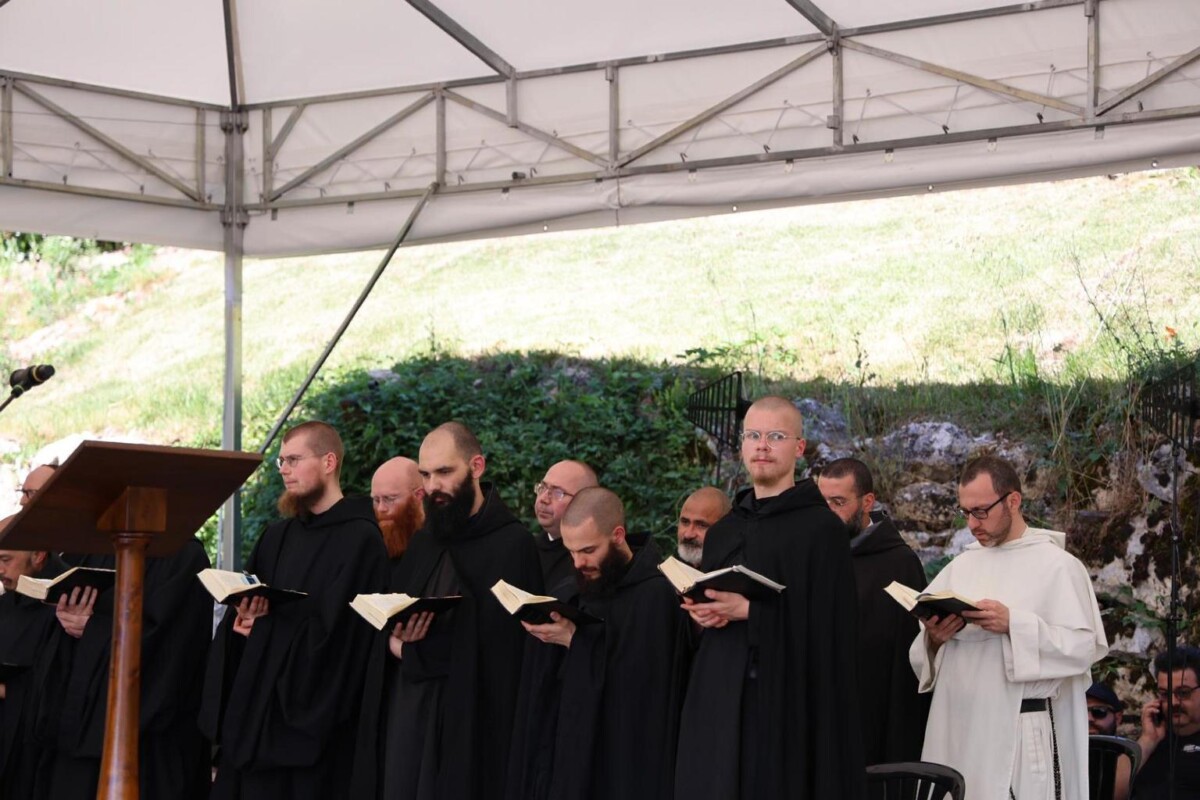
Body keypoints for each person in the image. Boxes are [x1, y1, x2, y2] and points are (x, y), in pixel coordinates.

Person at [674, 395, 866, 800]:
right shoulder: (725, 530)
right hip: (716, 693)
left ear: (798, 448)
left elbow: (835, 630)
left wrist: (752, 612)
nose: (762, 446)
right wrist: (703, 612)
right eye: (753, 435)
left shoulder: (820, 530)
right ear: (742, 445)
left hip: (783, 705)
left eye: (776, 436)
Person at [350, 421, 541, 800]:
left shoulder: (511, 545)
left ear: (477, 467)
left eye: (444, 472)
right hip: (410, 716)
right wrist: (393, 643)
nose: (433, 486)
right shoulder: (425, 540)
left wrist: (413, 651)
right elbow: (390, 619)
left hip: (471, 724)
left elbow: (506, 656)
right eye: (425, 474)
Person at [200, 420, 389, 800]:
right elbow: (249, 610)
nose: (284, 469)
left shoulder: (361, 539)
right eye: (281, 461)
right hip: (255, 720)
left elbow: (344, 642)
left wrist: (267, 630)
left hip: (312, 736)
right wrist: (242, 622)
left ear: (328, 462)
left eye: (294, 459)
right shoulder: (277, 536)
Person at [911, 454, 1108, 800]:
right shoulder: (961, 566)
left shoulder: (1058, 567)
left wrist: (1013, 623)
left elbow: (1083, 648)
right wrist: (935, 641)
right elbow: (923, 655)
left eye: (981, 511)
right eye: (966, 512)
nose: (972, 524)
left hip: (1019, 728)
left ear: (1013, 501)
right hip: (959, 728)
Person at [511, 487, 691, 800]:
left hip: (623, 765)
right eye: (571, 552)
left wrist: (575, 642)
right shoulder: (571, 590)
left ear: (618, 535)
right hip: (568, 757)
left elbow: (646, 693)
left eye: (588, 551)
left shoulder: (656, 597)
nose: (578, 562)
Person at [818, 457, 930, 765]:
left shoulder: (899, 563)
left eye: (837, 502)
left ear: (868, 501)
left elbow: (908, 659)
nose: (827, 513)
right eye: (822, 502)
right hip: (820, 709)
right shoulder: (812, 556)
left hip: (873, 716)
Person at [0, 465, 67, 800]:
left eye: (6, 560)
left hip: (34, 747)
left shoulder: (58, 606)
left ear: (39, 556)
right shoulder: (5, 605)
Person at [1131, 645, 1200, 799]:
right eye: (1165, 694)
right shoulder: (1151, 742)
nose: (1173, 702)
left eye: (1183, 693)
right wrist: (1148, 740)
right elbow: (1111, 791)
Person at [532, 460, 599, 594]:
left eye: (558, 493)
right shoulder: (525, 548)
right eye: (542, 487)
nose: (543, 499)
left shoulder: (594, 560)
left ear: (584, 502)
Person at [371, 456, 426, 575]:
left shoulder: (439, 549)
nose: (381, 508)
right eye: (376, 500)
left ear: (419, 495)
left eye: (389, 499)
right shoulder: (371, 552)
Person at [1087, 682, 1131, 800]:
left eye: (1099, 711)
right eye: (1080, 712)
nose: (1088, 718)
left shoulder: (1127, 754)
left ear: (1118, 717)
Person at [676, 486, 730, 568]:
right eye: (685, 522)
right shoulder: (667, 572)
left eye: (701, 525)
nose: (688, 534)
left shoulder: (735, 576)